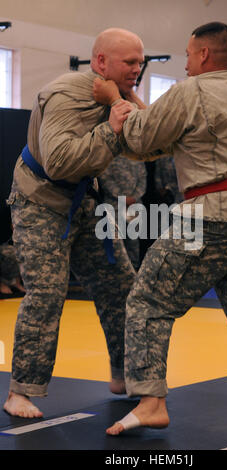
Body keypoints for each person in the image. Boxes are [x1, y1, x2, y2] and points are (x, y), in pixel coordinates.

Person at [93, 21, 227, 435]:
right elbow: (171, 138)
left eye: (187, 55)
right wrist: (133, 97)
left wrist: (114, 97)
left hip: (208, 213)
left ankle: (151, 400)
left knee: (147, 300)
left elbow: (140, 139)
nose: (185, 64)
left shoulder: (191, 91)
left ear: (203, 54)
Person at [3, 27, 147, 419]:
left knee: (122, 287)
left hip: (84, 201)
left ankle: (124, 374)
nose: (138, 68)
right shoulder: (66, 93)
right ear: (101, 62)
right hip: (40, 202)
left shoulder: (116, 97)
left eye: (140, 61)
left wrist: (127, 99)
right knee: (47, 294)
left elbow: (148, 144)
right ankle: (21, 391)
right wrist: (112, 124)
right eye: (129, 62)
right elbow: (59, 162)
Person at [98, 155, 147, 270]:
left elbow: (143, 177)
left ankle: (134, 271)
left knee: (133, 242)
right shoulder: (110, 156)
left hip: (134, 206)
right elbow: (105, 179)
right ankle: (116, 273)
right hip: (114, 206)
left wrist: (134, 197)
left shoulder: (137, 157)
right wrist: (122, 198)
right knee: (115, 242)